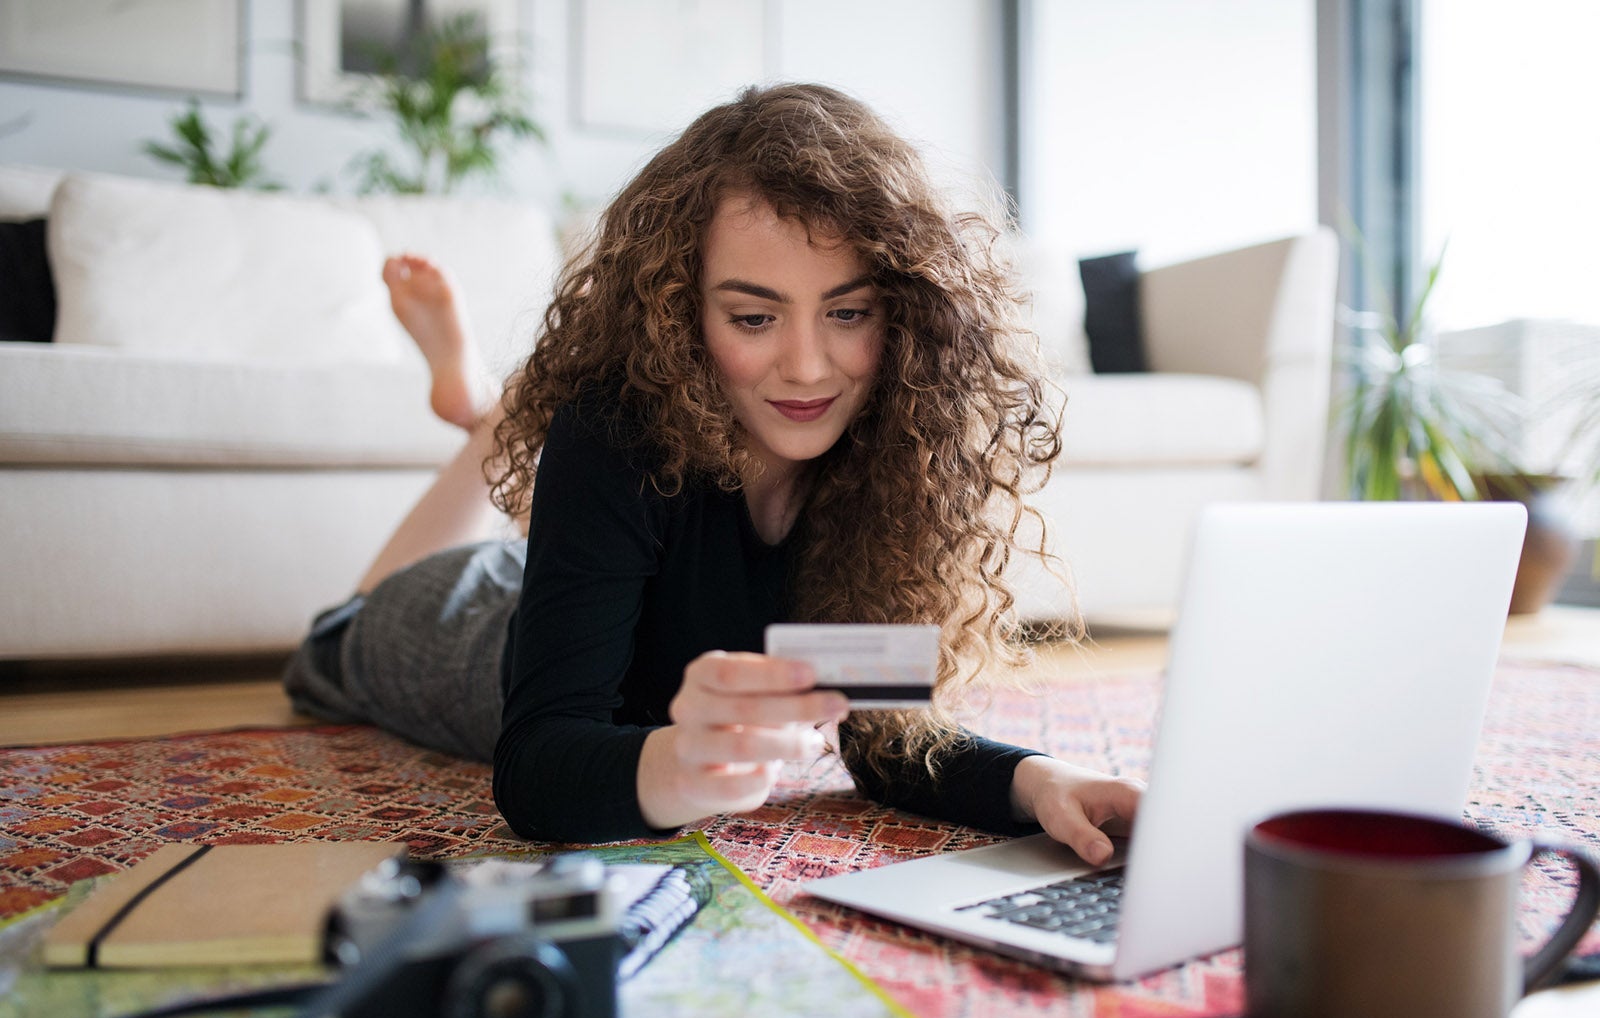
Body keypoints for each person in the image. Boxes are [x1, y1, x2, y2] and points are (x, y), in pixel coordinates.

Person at [285, 83, 1143, 864]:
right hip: (460, 635)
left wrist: (1040, 780)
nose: (808, 367)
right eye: (753, 316)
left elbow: (886, 738)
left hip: (569, 581)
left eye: (848, 312)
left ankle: (499, 416)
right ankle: (496, 416)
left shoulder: (893, 444)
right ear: (680, 313)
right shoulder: (613, 427)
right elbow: (537, 763)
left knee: (549, 555)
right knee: (342, 627)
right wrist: (676, 762)